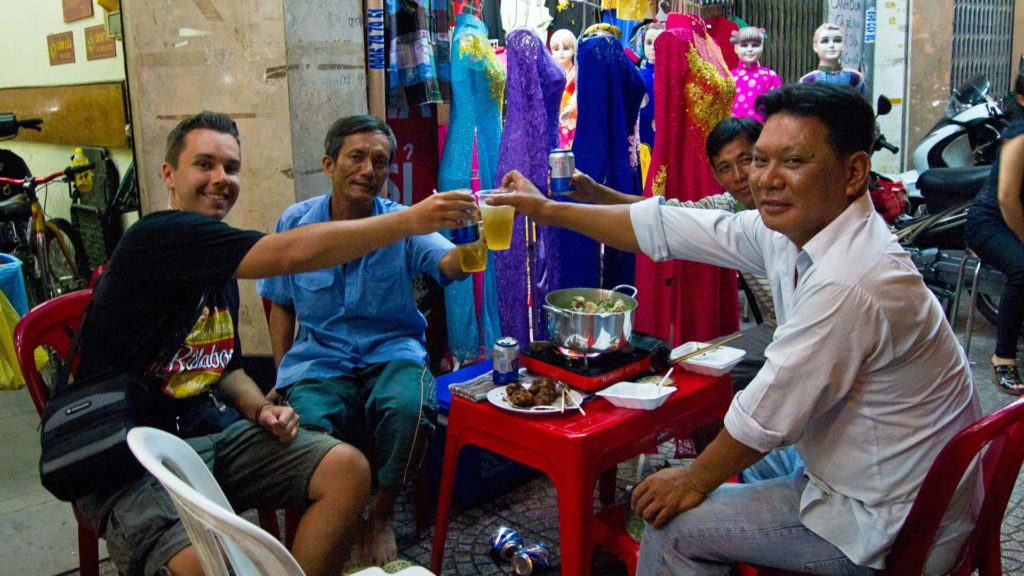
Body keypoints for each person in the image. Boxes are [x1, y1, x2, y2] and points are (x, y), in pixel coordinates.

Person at [490, 83, 980, 574]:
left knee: (674, 526)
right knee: (727, 459)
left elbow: (765, 416)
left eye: (793, 162)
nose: (766, 179)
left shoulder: (853, 279)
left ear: (853, 172)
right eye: (759, 161)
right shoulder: (793, 230)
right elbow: (666, 228)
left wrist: (692, 481)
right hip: (870, 470)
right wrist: (546, 210)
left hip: (885, 520)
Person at [73, 111, 476, 576]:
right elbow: (286, 255)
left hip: (212, 432)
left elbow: (223, 367)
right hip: (131, 456)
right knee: (213, 566)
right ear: (169, 174)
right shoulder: (157, 236)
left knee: (348, 469)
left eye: (231, 168)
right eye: (204, 164)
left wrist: (260, 407)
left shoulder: (216, 266)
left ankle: (361, 526)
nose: (220, 179)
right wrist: (409, 220)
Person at [256, 115, 469, 567]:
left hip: (390, 351)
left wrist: (478, 243)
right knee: (308, 423)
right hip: (318, 359)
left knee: (408, 409)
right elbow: (281, 303)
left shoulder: (402, 222)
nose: (368, 169)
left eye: (379, 161)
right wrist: (282, 373)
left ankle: (383, 511)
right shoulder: (295, 222)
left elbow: (447, 265)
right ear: (329, 163)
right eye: (356, 157)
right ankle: (338, 515)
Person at [569, 115, 774, 391]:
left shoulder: (786, 204)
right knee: (692, 365)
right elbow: (656, 213)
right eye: (726, 167)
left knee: (703, 378)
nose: (739, 175)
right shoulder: (725, 207)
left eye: (747, 159)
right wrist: (595, 192)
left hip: (801, 330)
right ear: (715, 174)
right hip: (777, 326)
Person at [966, 71, 1024, 395]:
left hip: (1015, 218)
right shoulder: (1019, 136)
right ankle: (1003, 358)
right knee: (1022, 268)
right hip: (991, 221)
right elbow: (1007, 198)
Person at [729, 26, 781, 123]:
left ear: (762, 47)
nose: (750, 49)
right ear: (736, 48)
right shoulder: (729, 77)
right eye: (744, 45)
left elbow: (777, 106)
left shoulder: (770, 76)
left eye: (755, 45)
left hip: (762, 130)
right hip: (734, 130)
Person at [799, 23, 866, 97]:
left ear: (843, 45)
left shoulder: (855, 78)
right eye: (825, 41)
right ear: (815, 47)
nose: (831, 45)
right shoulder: (807, 81)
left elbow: (863, 106)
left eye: (837, 40)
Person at [548, 28, 578, 149]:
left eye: (565, 48)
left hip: (573, 122)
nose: (561, 53)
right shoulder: (549, 73)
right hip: (553, 121)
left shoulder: (577, 73)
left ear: (573, 50)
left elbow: (578, 93)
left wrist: (570, 108)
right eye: (556, 49)